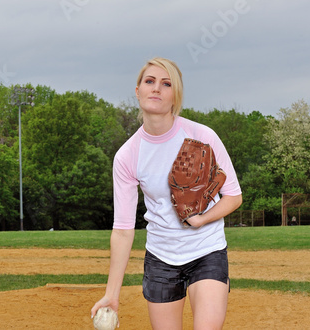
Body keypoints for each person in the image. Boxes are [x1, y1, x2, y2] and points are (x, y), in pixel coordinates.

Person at [91, 57, 242, 329]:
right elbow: (123, 229)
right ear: (138, 91)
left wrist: (201, 219)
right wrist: (111, 294)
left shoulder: (201, 135)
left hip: (206, 250)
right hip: (161, 258)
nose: (156, 88)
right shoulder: (128, 155)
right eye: (149, 81)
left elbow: (233, 195)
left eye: (166, 83)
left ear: (176, 96)